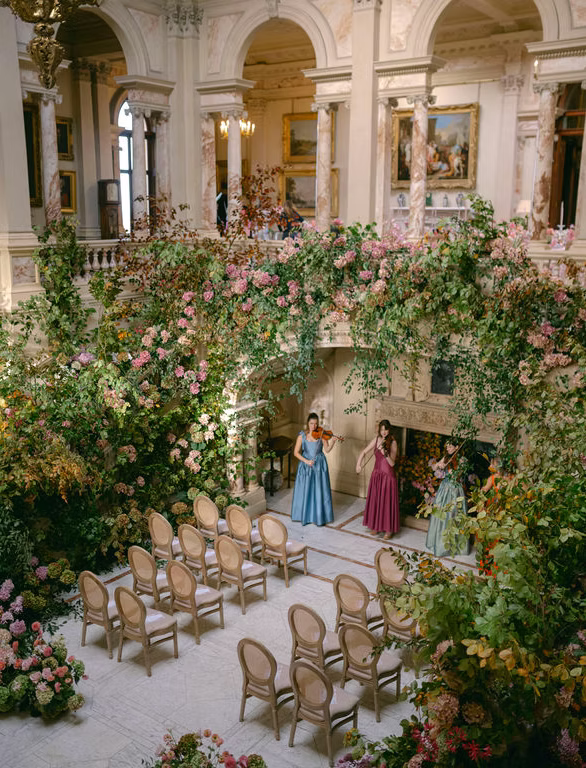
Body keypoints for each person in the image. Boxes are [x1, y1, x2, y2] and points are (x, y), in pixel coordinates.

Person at [291, 412, 338, 526]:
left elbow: (326, 450)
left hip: (319, 465)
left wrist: (333, 442)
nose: (314, 426)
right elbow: (296, 453)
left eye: (316, 424)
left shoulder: (321, 434)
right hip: (306, 464)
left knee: (319, 490)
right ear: (308, 423)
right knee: (306, 490)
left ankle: (319, 516)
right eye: (311, 423)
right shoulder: (302, 436)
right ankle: (305, 515)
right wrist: (306, 461)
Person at [356, 420, 400, 539]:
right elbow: (364, 452)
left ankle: (388, 530)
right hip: (377, 475)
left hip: (388, 477)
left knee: (386, 502)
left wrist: (384, 452)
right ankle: (376, 526)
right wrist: (358, 465)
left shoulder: (393, 442)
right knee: (376, 500)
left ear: (389, 430)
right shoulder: (376, 440)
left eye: (386, 429)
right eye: (382, 429)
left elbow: (392, 464)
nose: (384, 432)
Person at [425, 442, 471, 557]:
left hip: (455, 490)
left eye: (450, 446)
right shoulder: (446, 457)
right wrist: (438, 465)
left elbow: (457, 475)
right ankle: (440, 543)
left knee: (453, 514)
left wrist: (449, 470)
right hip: (444, 488)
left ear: (456, 447)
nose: (448, 448)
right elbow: (434, 467)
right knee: (441, 514)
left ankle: (453, 546)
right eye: (447, 446)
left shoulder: (462, 460)